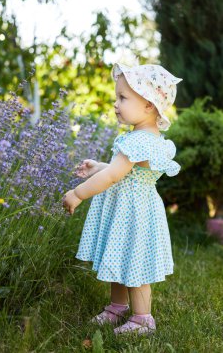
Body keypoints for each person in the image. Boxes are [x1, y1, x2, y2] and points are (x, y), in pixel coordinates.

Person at [62, 62, 183, 336]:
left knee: (134, 265)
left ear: (149, 105)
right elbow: (123, 172)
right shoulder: (147, 138)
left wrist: (78, 193)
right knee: (120, 258)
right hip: (135, 209)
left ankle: (143, 319)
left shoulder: (138, 141)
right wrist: (99, 167)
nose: (115, 104)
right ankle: (117, 307)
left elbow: (114, 177)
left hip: (133, 213)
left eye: (123, 98)